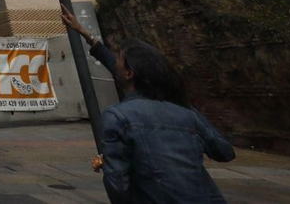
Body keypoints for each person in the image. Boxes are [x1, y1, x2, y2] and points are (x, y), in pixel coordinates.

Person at [98, 40, 234, 203]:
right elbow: (224, 152)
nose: (116, 62)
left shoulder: (118, 117)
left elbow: (118, 186)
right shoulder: (186, 112)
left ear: (129, 73)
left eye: (119, 58)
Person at [60, 2, 125, 99]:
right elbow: (104, 53)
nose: (117, 61)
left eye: (120, 60)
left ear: (129, 74)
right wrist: (80, 28)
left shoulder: (121, 112)